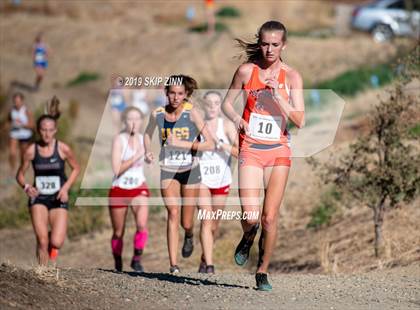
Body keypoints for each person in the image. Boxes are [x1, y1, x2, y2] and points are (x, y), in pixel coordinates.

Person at [222, 21, 305, 291]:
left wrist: (280, 96)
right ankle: (248, 235)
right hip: (251, 148)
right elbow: (226, 103)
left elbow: (300, 120)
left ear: (284, 45)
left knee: (270, 217)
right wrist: (237, 119)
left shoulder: (292, 77)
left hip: (278, 150)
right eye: (265, 44)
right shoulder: (246, 71)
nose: (269, 50)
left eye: (275, 44)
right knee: (251, 215)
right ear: (259, 43)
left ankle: (262, 271)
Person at [144, 75, 214, 273]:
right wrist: (147, 150)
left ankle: (189, 234)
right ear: (166, 93)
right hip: (168, 170)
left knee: (186, 221)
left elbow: (209, 143)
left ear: (186, 95)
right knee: (173, 213)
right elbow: (147, 134)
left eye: (180, 94)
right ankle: (173, 265)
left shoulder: (193, 114)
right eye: (172, 93)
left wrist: (183, 144)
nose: (175, 98)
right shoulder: (157, 114)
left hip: (190, 171)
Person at [16, 96, 80, 265]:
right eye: (43, 129)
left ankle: (50, 246)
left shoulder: (63, 148)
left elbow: (76, 168)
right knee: (42, 240)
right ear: (38, 130)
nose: (47, 133)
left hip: (58, 197)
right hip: (39, 198)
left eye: (50, 130)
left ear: (55, 130)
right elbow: (20, 175)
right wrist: (27, 187)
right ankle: (42, 275)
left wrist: (66, 188)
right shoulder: (31, 150)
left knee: (56, 242)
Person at [198, 91, 238, 274]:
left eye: (216, 103)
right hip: (201, 179)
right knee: (206, 220)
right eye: (209, 103)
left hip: (222, 179)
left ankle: (204, 258)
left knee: (214, 224)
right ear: (203, 106)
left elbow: (241, 152)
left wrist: (224, 146)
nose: (212, 107)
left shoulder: (227, 126)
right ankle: (210, 266)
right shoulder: (197, 125)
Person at [108, 106, 150, 273]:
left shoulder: (143, 139)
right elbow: (116, 169)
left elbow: (148, 162)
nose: (134, 122)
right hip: (120, 188)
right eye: (130, 119)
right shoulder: (119, 140)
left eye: (138, 119)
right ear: (124, 121)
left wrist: (148, 158)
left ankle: (136, 259)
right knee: (118, 231)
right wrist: (138, 155)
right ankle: (118, 261)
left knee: (141, 224)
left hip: (139, 186)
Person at [8, 92, 34, 175]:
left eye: (18, 101)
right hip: (14, 133)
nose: (17, 103)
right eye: (15, 101)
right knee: (12, 153)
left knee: (23, 154)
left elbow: (32, 125)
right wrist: (8, 125)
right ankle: (12, 171)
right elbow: (8, 121)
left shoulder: (26, 111)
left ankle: (22, 170)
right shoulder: (12, 110)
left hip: (25, 134)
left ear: (22, 101)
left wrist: (22, 125)